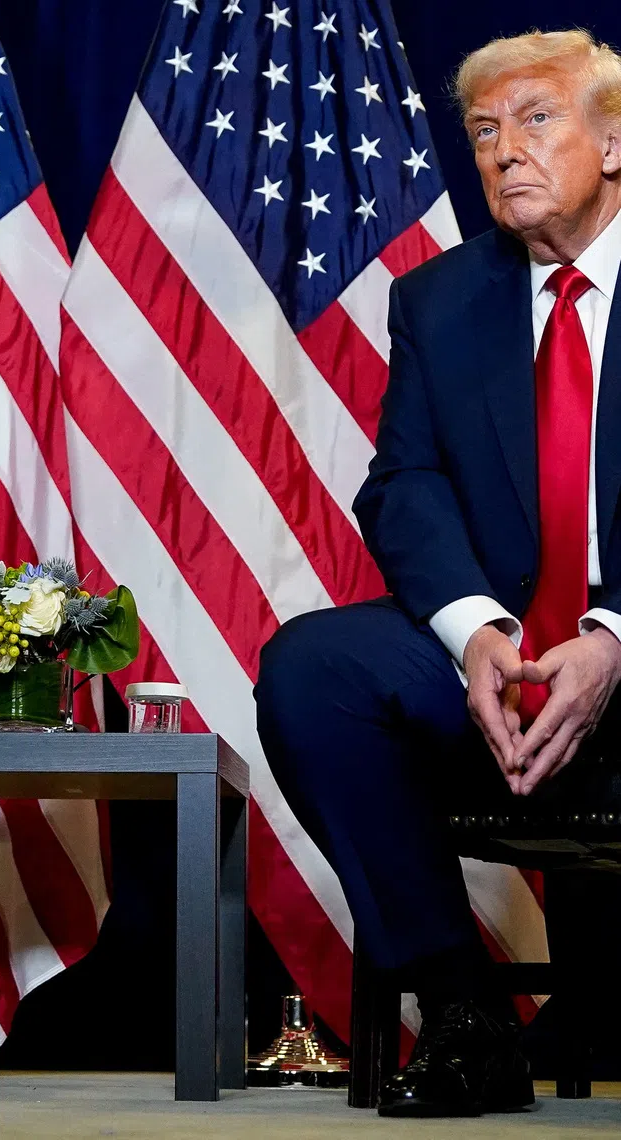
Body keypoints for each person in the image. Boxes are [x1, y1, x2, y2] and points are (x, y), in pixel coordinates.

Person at [256, 29, 621, 1118]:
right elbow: (403, 482)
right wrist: (475, 633)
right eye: (485, 131)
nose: (505, 151)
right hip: (502, 674)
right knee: (315, 667)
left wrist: (612, 638)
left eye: (537, 120)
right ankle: (465, 1018)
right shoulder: (440, 299)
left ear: (614, 144)